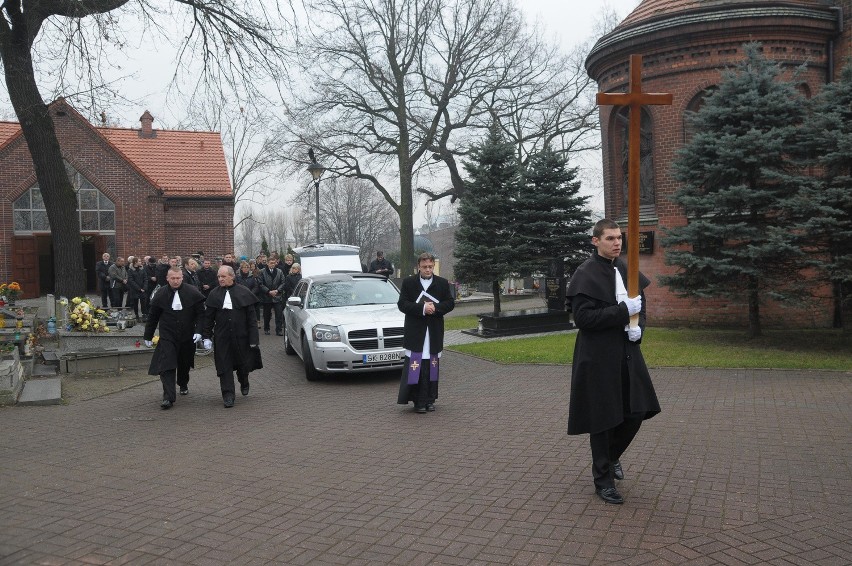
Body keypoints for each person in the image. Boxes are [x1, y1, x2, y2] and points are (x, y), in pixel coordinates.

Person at [566, 218, 661, 505]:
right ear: (595, 241)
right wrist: (622, 312)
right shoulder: (585, 274)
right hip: (597, 355)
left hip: (627, 351)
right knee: (603, 418)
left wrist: (638, 328)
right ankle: (603, 480)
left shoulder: (627, 269)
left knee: (637, 410)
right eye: (610, 238)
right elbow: (583, 319)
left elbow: (640, 309)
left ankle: (612, 456)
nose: (617, 242)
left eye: (619, 238)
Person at [397, 252, 455, 413]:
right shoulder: (409, 283)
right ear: (419, 267)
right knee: (417, 366)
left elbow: (450, 303)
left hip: (434, 331)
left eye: (430, 267)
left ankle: (430, 399)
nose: (428, 270)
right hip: (416, 332)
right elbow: (402, 304)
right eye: (424, 267)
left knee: (432, 366)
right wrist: (422, 308)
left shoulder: (442, 283)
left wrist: (435, 308)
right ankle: (417, 401)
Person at [144, 267, 205, 409]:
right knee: (167, 365)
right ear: (167, 278)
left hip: (187, 335)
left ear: (182, 278)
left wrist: (199, 331)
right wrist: (148, 335)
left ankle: (183, 383)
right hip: (167, 335)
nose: (176, 281)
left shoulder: (192, 292)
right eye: (173, 278)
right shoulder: (160, 293)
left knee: (184, 364)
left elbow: (201, 314)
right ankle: (168, 397)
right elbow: (153, 316)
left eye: (178, 278)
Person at [202, 266, 262, 408]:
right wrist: (206, 337)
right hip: (222, 337)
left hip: (242, 336)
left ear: (232, 276)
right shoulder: (214, 294)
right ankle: (228, 394)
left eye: (223, 276)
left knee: (242, 364)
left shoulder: (244, 292)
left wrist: (254, 339)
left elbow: (252, 320)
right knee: (224, 366)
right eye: (219, 277)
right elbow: (208, 318)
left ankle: (244, 380)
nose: (220, 279)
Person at [257, 255, 286, 336]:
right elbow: (260, 283)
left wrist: (277, 290)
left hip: (277, 296)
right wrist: (269, 291)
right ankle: (266, 329)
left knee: (279, 314)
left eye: (274, 263)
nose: (272, 264)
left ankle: (279, 330)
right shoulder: (262, 271)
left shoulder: (279, 271)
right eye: (271, 263)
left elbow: (283, 282)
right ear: (267, 263)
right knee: (266, 315)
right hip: (267, 296)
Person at [236, 260, 261, 325]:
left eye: (247, 267)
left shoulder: (252, 276)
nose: (246, 269)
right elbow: (236, 286)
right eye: (245, 267)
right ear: (241, 268)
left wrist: (251, 293)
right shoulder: (238, 277)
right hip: (241, 297)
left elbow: (256, 286)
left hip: (250, 297)